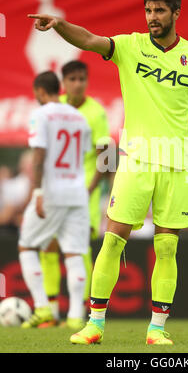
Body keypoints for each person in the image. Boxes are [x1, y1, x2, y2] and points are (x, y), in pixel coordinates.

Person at [28, 0, 188, 345]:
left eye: (159, 11)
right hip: (136, 159)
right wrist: (60, 25)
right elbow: (90, 40)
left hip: (176, 164)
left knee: (167, 247)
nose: (152, 17)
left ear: (175, 13)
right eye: (148, 10)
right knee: (112, 240)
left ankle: (156, 329)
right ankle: (94, 324)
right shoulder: (129, 45)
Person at [39, 60, 110, 328]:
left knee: (78, 249)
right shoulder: (55, 111)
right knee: (49, 246)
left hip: (84, 193)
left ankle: (81, 312)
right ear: (64, 83)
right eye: (73, 79)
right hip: (56, 191)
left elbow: (106, 156)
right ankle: (50, 310)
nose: (78, 84)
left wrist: (90, 190)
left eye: (82, 79)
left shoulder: (96, 112)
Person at [18, 71, 91, 328]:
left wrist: (37, 192)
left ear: (39, 91)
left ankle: (43, 308)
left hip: (51, 192)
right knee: (74, 253)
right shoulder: (79, 116)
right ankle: (75, 316)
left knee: (27, 246)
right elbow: (84, 155)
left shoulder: (40, 115)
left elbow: (39, 155)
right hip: (77, 192)